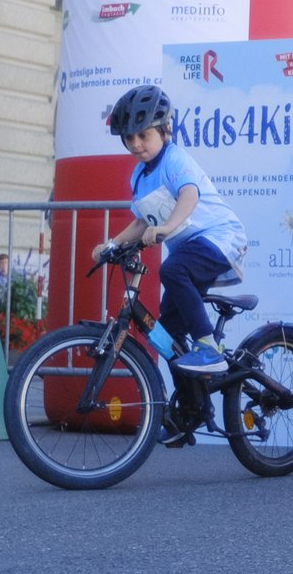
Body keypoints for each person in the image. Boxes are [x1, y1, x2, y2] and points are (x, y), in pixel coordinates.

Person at [91, 84, 248, 374]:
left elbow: (189, 195)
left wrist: (166, 227)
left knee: (172, 270)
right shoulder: (139, 175)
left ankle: (209, 347)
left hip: (220, 238)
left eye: (143, 135)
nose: (136, 144)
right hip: (192, 250)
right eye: (129, 138)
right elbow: (140, 222)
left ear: (165, 131)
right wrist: (110, 245)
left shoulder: (175, 159)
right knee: (167, 334)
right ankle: (194, 408)